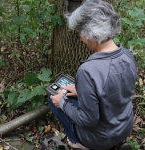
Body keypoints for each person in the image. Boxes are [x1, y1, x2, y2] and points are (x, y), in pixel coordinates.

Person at [48, 0, 137, 150]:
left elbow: (88, 120)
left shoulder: (88, 71)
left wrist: (62, 103)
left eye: (80, 34)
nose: (81, 39)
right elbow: (115, 89)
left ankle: (77, 141)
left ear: (93, 34)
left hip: (99, 139)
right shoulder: (128, 56)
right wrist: (82, 90)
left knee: (53, 98)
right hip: (125, 127)